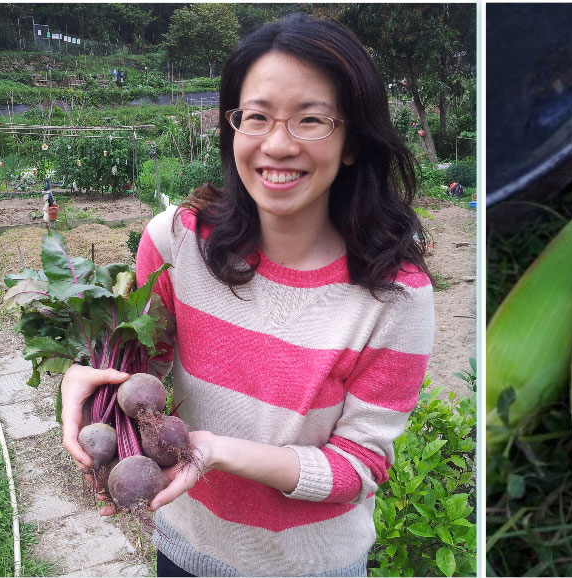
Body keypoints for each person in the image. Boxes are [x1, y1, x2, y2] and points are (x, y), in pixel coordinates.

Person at [59, 13, 435, 578]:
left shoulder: (395, 296)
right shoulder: (176, 241)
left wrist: (216, 452)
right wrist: (87, 380)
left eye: (310, 120)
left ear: (353, 141)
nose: (277, 145)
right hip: (185, 548)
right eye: (256, 117)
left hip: (315, 566)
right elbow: (144, 372)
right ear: (233, 126)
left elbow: (359, 466)